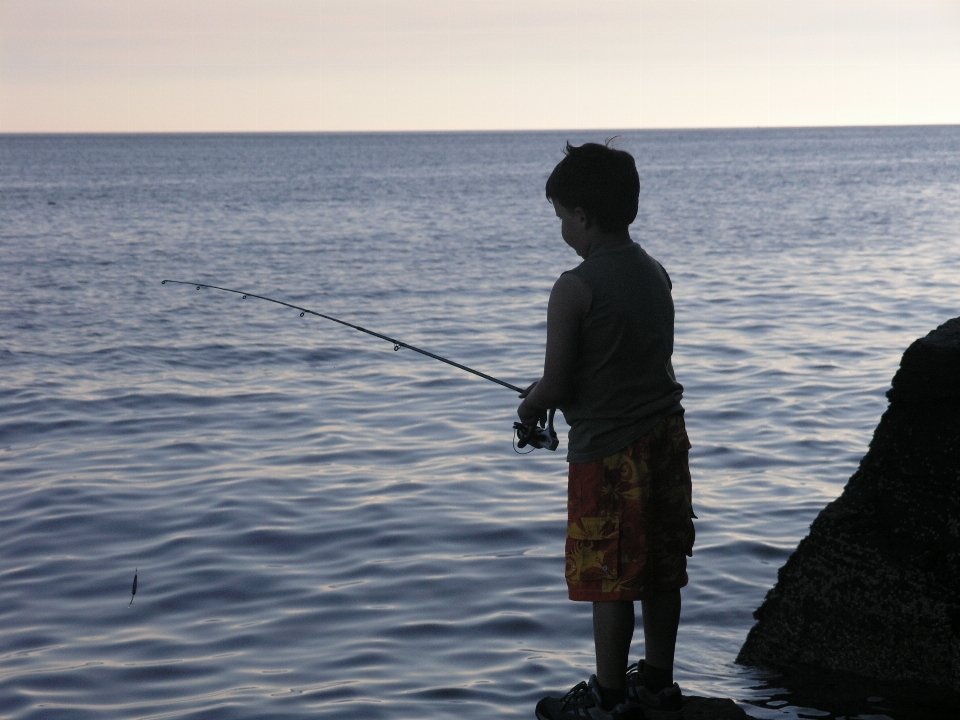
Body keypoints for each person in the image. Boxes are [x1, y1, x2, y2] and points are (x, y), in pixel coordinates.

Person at [518, 141, 695, 720]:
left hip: (607, 455)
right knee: (664, 567)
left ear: (582, 217)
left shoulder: (574, 287)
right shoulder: (655, 273)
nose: (562, 230)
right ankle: (660, 682)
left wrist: (529, 408)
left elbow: (556, 385)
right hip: (667, 442)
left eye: (561, 218)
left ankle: (611, 696)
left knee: (609, 577)